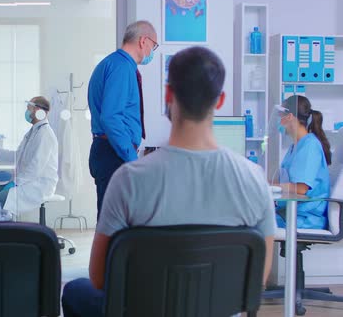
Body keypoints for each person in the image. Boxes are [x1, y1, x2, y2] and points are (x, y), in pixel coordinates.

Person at [62, 47, 276, 317]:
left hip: (143, 310)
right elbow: (257, 280)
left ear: (168, 96)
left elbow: (100, 278)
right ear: (219, 100)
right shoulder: (254, 180)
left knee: (76, 290)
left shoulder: (128, 180)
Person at [87, 20, 158, 220]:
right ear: (144, 41)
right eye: (154, 45)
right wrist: (130, 157)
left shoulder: (113, 64)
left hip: (109, 150)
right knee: (114, 223)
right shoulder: (121, 68)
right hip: (114, 153)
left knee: (113, 221)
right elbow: (111, 118)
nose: (152, 51)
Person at [0, 96, 58, 220]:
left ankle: (4, 234)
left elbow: (36, 167)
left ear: (38, 110)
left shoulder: (45, 134)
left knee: (0, 198)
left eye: (29, 108)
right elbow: (16, 156)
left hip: (39, 184)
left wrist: (16, 183)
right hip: (26, 181)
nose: (27, 112)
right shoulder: (33, 132)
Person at [276, 95, 331, 229]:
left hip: (305, 218)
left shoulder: (310, 146)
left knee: (255, 223)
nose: (279, 121)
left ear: (289, 117)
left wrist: (273, 187)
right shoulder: (295, 146)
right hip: (290, 213)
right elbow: (285, 180)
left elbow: (301, 188)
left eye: (280, 116)